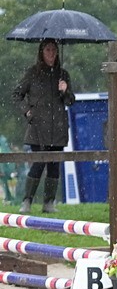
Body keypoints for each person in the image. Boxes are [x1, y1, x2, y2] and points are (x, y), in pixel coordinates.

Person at [12, 40, 74, 213]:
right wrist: (27, 112)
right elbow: (17, 94)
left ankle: (49, 202)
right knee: (38, 164)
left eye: (54, 50)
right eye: (48, 50)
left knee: (54, 165)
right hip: (38, 128)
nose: (52, 53)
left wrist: (65, 90)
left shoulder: (63, 75)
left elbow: (71, 101)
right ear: (41, 52)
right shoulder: (32, 73)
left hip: (58, 128)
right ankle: (27, 200)